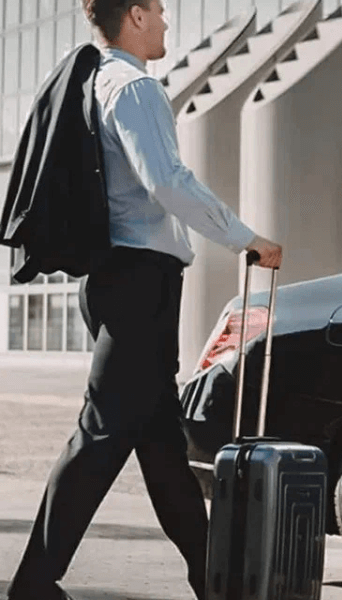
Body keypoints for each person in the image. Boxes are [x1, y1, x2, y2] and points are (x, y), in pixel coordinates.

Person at [6, 1, 282, 599]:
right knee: (101, 433)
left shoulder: (92, 77)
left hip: (120, 280)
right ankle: (33, 583)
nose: (165, 21)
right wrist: (247, 239)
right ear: (133, 15)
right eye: (158, 10)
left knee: (159, 443)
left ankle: (212, 578)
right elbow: (165, 180)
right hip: (140, 285)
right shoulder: (133, 87)